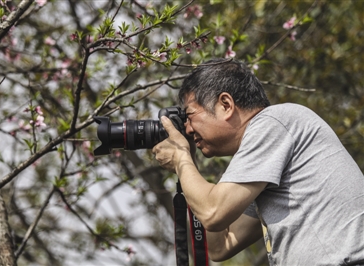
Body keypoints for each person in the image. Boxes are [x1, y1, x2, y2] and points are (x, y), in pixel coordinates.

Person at [152, 58, 364, 265]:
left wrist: (181, 159)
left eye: (190, 116)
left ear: (226, 105)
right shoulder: (266, 167)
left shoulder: (273, 122)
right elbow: (220, 246)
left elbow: (213, 213)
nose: (188, 129)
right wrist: (189, 163)